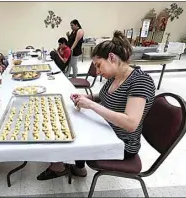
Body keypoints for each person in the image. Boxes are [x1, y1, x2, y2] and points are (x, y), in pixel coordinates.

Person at [37, 30, 155, 180]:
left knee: (68, 129)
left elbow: (130, 123)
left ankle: (58, 166)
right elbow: (106, 97)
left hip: (122, 143)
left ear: (112, 57)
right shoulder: (116, 76)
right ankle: (77, 167)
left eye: (99, 65)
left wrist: (92, 105)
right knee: (68, 118)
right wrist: (87, 97)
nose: (98, 71)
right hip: (108, 130)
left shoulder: (140, 81)